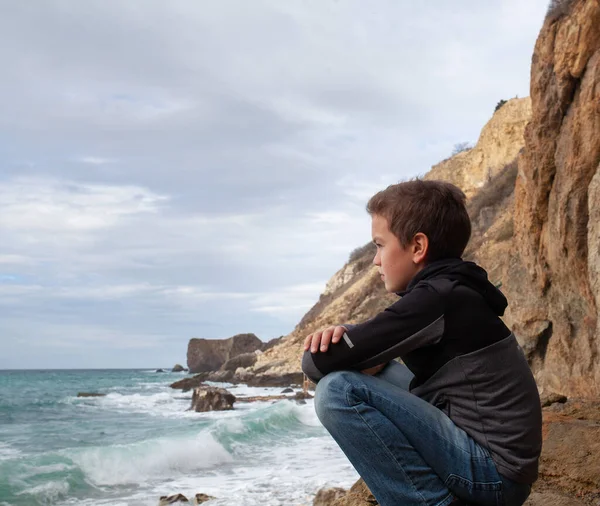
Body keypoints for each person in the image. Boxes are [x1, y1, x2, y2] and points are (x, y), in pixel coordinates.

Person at [301, 179, 542, 506]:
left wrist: (343, 340)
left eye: (379, 245)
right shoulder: (451, 290)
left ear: (417, 247)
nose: (375, 260)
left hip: (495, 475)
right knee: (379, 369)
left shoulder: (436, 299)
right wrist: (357, 347)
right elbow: (362, 353)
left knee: (337, 392)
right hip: (494, 460)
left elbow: (317, 364)